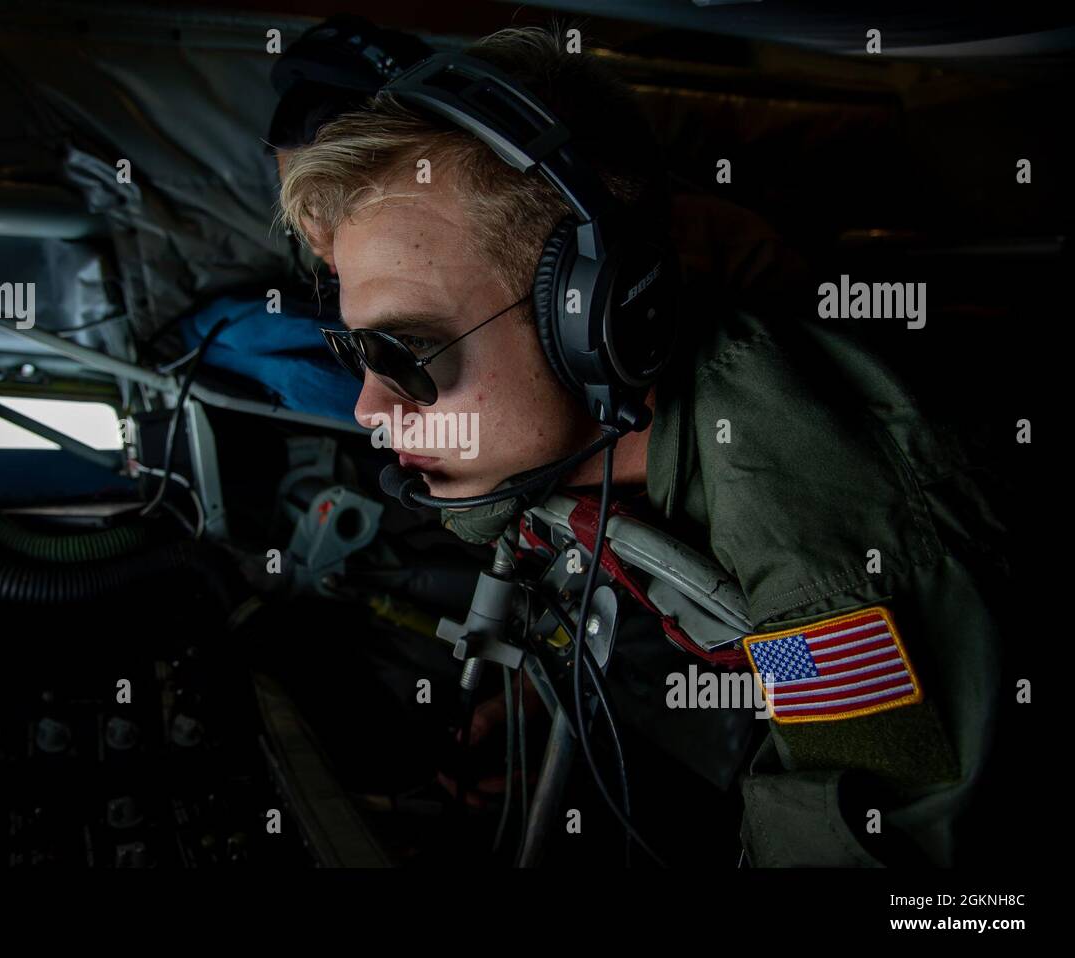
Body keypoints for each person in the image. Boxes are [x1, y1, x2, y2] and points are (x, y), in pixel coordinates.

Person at [276, 25, 1008, 866]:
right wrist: (543, 705)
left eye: (407, 354)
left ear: (594, 324)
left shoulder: (832, 561)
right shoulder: (570, 435)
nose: (370, 409)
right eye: (356, 353)